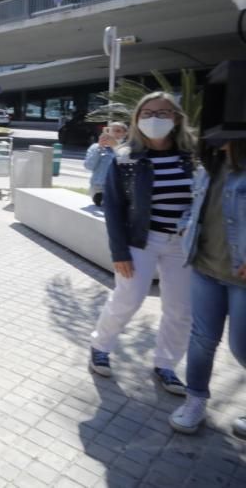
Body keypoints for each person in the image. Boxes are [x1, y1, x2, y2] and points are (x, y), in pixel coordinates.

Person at [89, 92, 196, 394]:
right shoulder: (125, 159)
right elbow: (112, 208)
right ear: (136, 120)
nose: (154, 119)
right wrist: (119, 251)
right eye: (146, 113)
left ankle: (166, 365)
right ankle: (100, 345)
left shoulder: (195, 157)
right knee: (128, 298)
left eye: (163, 113)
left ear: (176, 118)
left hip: (182, 245)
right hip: (141, 240)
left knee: (180, 309)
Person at [169, 138, 246, 437]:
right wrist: (185, 225)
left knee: (241, 347)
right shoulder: (208, 167)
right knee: (202, 340)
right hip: (205, 268)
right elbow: (193, 206)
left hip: (241, 279)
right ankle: (195, 401)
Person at [84, 121, 128, 206]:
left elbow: (125, 165)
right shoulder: (95, 147)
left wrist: (115, 147)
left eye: (118, 131)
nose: (114, 134)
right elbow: (88, 166)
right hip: (98, 188)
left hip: (118, 188)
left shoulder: (127, 149)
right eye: (111, 131)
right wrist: (100, 148)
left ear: (125, 134)